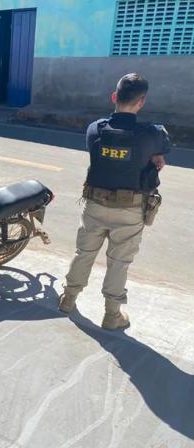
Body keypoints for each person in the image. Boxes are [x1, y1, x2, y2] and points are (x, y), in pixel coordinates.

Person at [59, 73, 170, 330]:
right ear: (141, 102)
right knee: (119, 262)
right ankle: (112, 315)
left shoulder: (94, 129)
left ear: (113, 97)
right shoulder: (151, 134)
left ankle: (68, 299)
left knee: (83, 253)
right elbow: (162, 149)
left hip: (94, 205)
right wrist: (153, 157)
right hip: (129, 210)